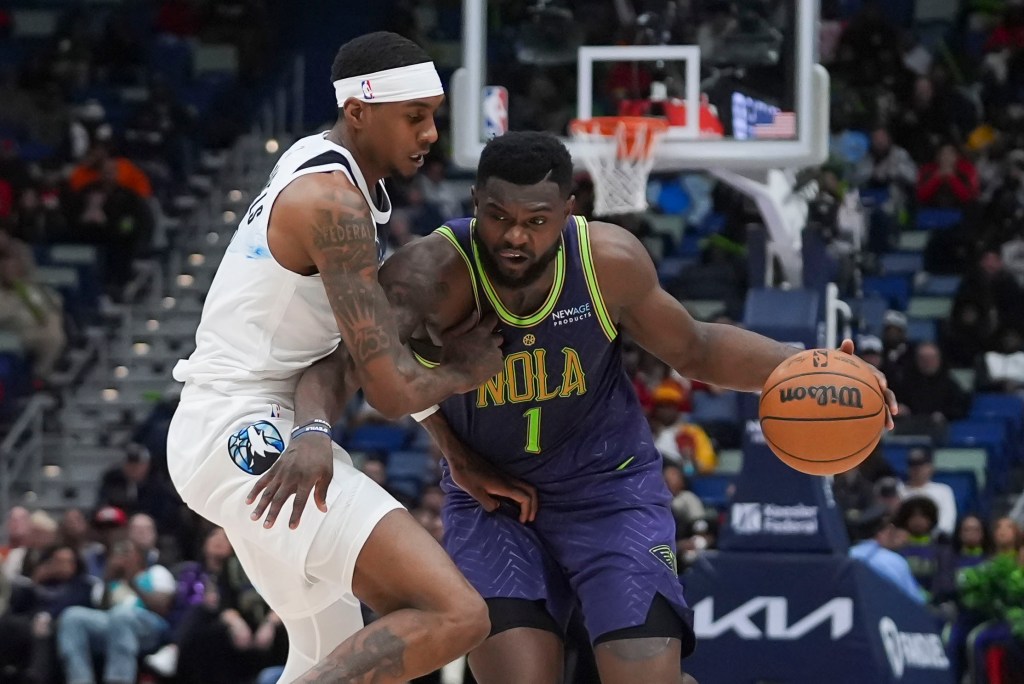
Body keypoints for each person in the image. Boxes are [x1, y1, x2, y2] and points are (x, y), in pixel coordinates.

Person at [362, 131, 896, 683]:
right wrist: (457, 448)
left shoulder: (607, 262)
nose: (516, 236)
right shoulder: (429, 276)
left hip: (609, 493)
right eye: (499, 217)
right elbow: (378, 375)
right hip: (496, 501)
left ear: (569, 211)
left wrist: (811, 361)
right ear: (474, 204)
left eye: (537, 220)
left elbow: (698, 348)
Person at [166, 32, 502, 683]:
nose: (431, 132)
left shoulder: (321, 161)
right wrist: (468, 368)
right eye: (414, 116)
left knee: (327, 651)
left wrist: (455, 455)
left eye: (433, 113)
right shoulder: (333, 205)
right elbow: (387, 386)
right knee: (454, 613)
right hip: (239, 429)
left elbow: (360, 353)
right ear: (358, 112)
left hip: (255, 422)